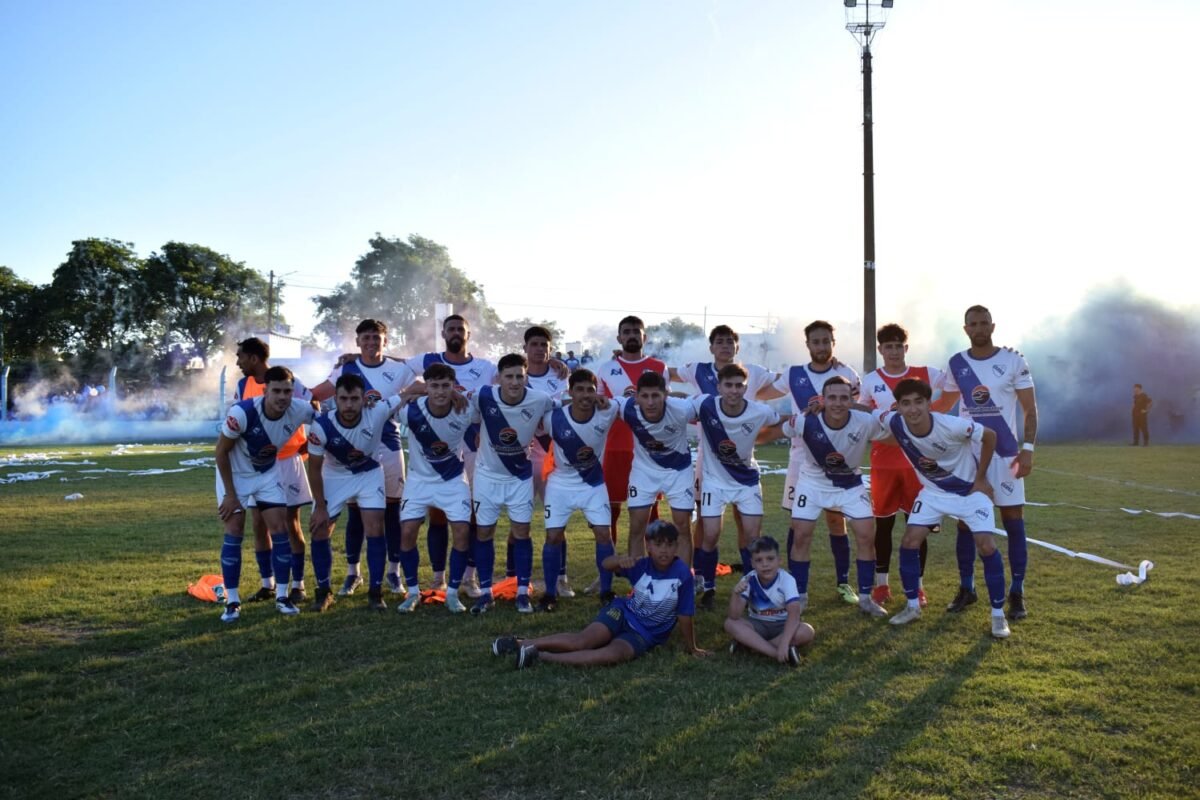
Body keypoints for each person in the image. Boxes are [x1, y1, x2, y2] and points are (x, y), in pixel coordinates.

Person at [875, 378, 1011, 638]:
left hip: (969, 491)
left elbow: (990, 436)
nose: (913, 409)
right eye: (906, 404)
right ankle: (913, 606)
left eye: (918, 402)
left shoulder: (951, 425)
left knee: (987, 545)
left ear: (928, 403)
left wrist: (981, 478)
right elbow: (861, 412)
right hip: (934, 493)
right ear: (898, 407)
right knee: (910, 541)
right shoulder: (893, 421)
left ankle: (998, 615)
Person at [490, 521, 707, 668]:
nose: (664, 551)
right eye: (658, 545)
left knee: (611, 654)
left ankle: (541, 656)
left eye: (670, 545)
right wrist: (620, 559)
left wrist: (692, 647)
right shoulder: (642, 565)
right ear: (648, 546)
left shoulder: (682, 576)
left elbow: (685, 615)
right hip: (622, 612)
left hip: (644, 635)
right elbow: (606, 564)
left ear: (677, 547)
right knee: (583, 640)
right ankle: (520, 643)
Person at [937, 305, 1037, 620]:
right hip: (968, 455)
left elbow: (1030, 410)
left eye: (984, 323)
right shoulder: (956, 364)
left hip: (1006, 453)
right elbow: (943, 403)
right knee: (966, 521)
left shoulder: (1013, 360)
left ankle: (1017, 591)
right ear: (965, 329)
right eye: (973, 324)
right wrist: (906, 409)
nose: (979, 328)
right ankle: (967, 588)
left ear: (992, 326)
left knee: (1012, 517)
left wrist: (1029, 448)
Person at [759, 320, 862, 605]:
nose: (821, 346)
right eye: (816, 342)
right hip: (801, 458)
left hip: (836, 458)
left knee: (835, 520)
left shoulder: (846, 373)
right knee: (798, 524)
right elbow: (762, 391)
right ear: (808, 345)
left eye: (826, 341)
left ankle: (843, 583)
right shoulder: (794, 374)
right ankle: (795, 588)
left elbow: (858, 409)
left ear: (833, 342)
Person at [311, 319, 415, 599]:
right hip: (350, 446)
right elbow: (319, 393)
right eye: (365, 338)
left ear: (386, 341)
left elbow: (421, 383)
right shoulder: (346, 368)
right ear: (357, 341)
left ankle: (393, 571)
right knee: (355, 511)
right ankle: (353, 572)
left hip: (389, 446)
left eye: (376, 338)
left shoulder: (399, 369)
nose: (371, 343)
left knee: (391, 511)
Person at [669, 324, 779, 575]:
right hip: (708, 457)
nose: (725, 346)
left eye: (730, 342)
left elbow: (784, 386)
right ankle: (700, 572)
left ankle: (751, 574)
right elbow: (667, 375)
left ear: (737, 347)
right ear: (711, 347)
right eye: (720, 342)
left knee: (746, 521)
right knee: (707, 520)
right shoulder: (699, 372)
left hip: (741, 457)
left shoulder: (752, 372)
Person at [859, 323, 953, 607]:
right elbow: (862, 412)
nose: (894, 351)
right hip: (884, 464)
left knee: (917, 525)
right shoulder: (871, 380)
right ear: (881, 350)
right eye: (888, 346)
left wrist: (926, 417)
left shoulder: (926, 373)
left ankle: (918, 587)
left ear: (906, 348)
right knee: (883, 526)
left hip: (918, 464)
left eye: (899, 346)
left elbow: (957, 386)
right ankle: (882, 586)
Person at [218, 337, 316, 606]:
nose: (237, 362)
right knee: (259, 524)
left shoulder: (287, 380)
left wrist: (305, 445)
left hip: (286, 461)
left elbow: (314, 407)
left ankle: (298, 585)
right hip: (256, 466)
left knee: (289, 524)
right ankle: (268, 584)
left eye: (240, 356)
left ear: (253, 358)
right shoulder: (243, 385)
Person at [782, 376, 890, 618]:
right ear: (822, 400)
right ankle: (799, 596)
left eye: (844, 398)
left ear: (852, 399)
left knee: (866, 535)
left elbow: (890, 430)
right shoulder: (805, 420)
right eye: (832, 398)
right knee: (801, 536)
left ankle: (865, 598)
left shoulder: (864, 420)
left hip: (849, 485)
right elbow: (785, 428)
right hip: (811, 483)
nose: (838, 403)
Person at [305, 374, 408, 612]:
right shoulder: (321, 425)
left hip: (368, 474)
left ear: (364, 399)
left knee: (375, 528)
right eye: (343, 399)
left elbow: (409, 392)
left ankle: (375, 592)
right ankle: (323, 592)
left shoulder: (378, 410)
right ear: (335, 399)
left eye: (354, 399)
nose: (349, 405)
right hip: (334, 476)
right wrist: (320, 507)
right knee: (319, 529)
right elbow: (314, 468)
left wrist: (452, 393)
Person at [413, 314, 497, 596]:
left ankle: (469, 577)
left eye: (461, 329)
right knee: (437, 515)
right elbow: (394, 370)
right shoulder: (429, 361)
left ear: (468, 334)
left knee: (472, 516)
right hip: (440, 449)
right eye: (451, 329)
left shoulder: (485, 367)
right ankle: (439, 577)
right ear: (443, 332)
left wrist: (553, 364)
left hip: (474, 448)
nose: (456, 333)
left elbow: (514, 384)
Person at [466, 353, 556, 615]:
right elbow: (468, 418)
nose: (515, 382)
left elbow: (563, 409)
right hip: (487, 477)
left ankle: (521, 592)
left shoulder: (540, 399)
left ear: (526, 376)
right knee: (484, 533)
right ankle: (485, 593)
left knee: (522, 532)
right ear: (499, 378)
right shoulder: (482, 395)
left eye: (520, 376)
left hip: (519, 478)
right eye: (509, 376)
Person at [692, 364, 785, 611]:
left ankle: (754, 588)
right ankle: (708, 588)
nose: (733, 390)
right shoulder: (705, 405)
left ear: (746, 387)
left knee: (753, 537)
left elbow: (782, 421)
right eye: (728, 385)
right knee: (710, 534)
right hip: (715, 481)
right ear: (719, 386)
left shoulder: (760, 411)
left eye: (739, 385)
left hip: (747, 481)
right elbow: (675, 405)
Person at [394, 363, 476, 614]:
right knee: (407, 532)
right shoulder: (409, 411)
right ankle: (413, 593)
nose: (440, 391)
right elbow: (379, 406)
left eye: (445, 386)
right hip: (418, 481)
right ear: (426, 387)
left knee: (462, 531)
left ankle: (452, 593)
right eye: (434, 385)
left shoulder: (466, 409)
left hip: (452, 481)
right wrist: (408, 392)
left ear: (454, 387)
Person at [537, 368, 619, 612]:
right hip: (560, 484)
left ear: (597, 393)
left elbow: (630, 401)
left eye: (590, 390)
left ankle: (606, 591)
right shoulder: (553, 418)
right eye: (579, 390)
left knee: (604, 534)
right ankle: (550, 594)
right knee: (553, 536)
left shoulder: (609, 411)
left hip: (593, 484)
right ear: (570, 392)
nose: (585, 395)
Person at [594, 316, 669, 560]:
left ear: (644, 337)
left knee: (650, 510)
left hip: (648, 449)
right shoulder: (605, 369)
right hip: (615, 446)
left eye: (636, 332)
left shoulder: (659, 367)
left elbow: (666, 407)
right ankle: (610, 566)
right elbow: (600, 408)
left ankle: (653, 563)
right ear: (619, 338)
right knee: (611, 510)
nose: (632, 336)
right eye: (626, 332)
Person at [613, 371, 699, 581]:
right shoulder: (625, 407)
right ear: (636, 396)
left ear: (665, 395)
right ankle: (640, 584)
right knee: (637, 526)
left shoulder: (682, 409)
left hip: (678, 471)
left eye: (656, 396)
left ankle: (681, 582)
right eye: (645, 396)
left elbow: (711, 404)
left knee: (682, 526)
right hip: (644, 472)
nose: (650, 402)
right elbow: (590, 403)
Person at [522, 325, 575, 598]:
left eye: (545, 345)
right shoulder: (513, 375)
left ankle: (562, 576)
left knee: (556, 518)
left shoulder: (559, 375)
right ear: (525, 348)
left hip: (551, 453)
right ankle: (517, 579)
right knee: (520, 520)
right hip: (523, 453)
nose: (540, 349)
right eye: (535, 344)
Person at [725, 536, 814, 665]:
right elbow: (734, 616)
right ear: (752, 563)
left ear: (779, 560)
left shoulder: (787, 580)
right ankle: (775, 653)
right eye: (759, 560)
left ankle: (751, 645)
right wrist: (735, 593)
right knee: (730, 623)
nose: (765, 564)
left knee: (807, 631)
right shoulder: (748, 579)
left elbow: (794, 615)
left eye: (770, 559)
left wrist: (784, 642)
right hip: (757, 624)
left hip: (783, 625)